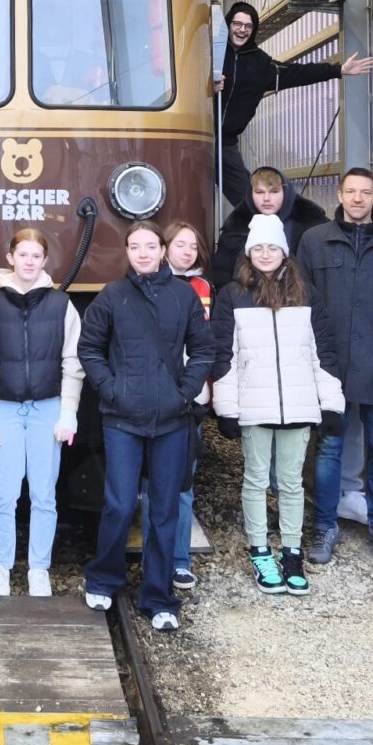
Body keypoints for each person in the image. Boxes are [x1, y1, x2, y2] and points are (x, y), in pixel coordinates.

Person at [80, 221, 213, 632]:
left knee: (164, 508)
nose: (143, 253)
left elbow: (204, 349)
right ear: (127, 251)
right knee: (119, 503)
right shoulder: (112, 296)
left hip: (171, 419)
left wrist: (184, 393)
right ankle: (104, 578)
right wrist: (110, 388)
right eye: (135, 246)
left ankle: (158, 596)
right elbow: (89, 347)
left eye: (150, 246)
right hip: (122, 418)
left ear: (162, 250)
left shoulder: (183, 297)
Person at [214, 213, 345, 597]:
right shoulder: (232, 295)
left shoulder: (305, 294)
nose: (266, 253)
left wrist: (331, 404)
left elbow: (323, 352)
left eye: (273, 247)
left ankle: (291, 553)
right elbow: (225, 356)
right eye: (258, 247)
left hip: (298, 405)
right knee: (255, 480)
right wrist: (227, 408)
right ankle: (259, 551)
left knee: (290, 483)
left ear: (284, 252)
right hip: (255, 405)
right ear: (248, 252)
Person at [298, 167, 373, 564]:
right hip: (331, 364)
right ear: (339, 195)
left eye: (365, 192)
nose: (357, 199)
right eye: (350, 191)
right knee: (329, 446)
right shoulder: (315, 242)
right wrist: (316, 354)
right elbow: (301, 301)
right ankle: (324, 525)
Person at [0, 229, 83, 598]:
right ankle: (0, 567)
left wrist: (68, 411)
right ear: (10, 257)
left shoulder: (61, 304)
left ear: (45, 260)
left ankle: (39, 569)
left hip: (46, 407)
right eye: (23, 255)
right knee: (3, 494)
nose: (30, 262)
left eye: (37, 256)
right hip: (4, 406)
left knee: (43, 494)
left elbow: (73, 361)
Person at [214, 1, 373, 207]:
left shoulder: (260, 64)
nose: (241, 30)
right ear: (228, 24)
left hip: (225, 144)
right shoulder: (210, 54)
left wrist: (338, 70)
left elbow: (297, 73)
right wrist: (208, 88)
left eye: (248, 26)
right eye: (237, 24)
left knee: (251, 205)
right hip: (197, 136)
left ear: (253, 30)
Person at [152, 220, 214, 590]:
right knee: (150, 483)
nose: (188, 252)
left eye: (193, 246)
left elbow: (207, 343)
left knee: (183, 483)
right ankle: (155, 557)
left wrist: (197, 389)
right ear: (165, 248)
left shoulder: (203, 288)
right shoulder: (147, 285)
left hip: (190, 397)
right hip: (154, 396)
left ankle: (178, 559)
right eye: (181, 245)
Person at [210, 165, 327, 289]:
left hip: (299, 297)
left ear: (285, 191)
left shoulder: (312, 223)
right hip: (247, 298)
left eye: (274, 191)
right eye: (259, 192)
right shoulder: (235, 228)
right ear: (250, 193)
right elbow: (222, 277)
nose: (266, 199)